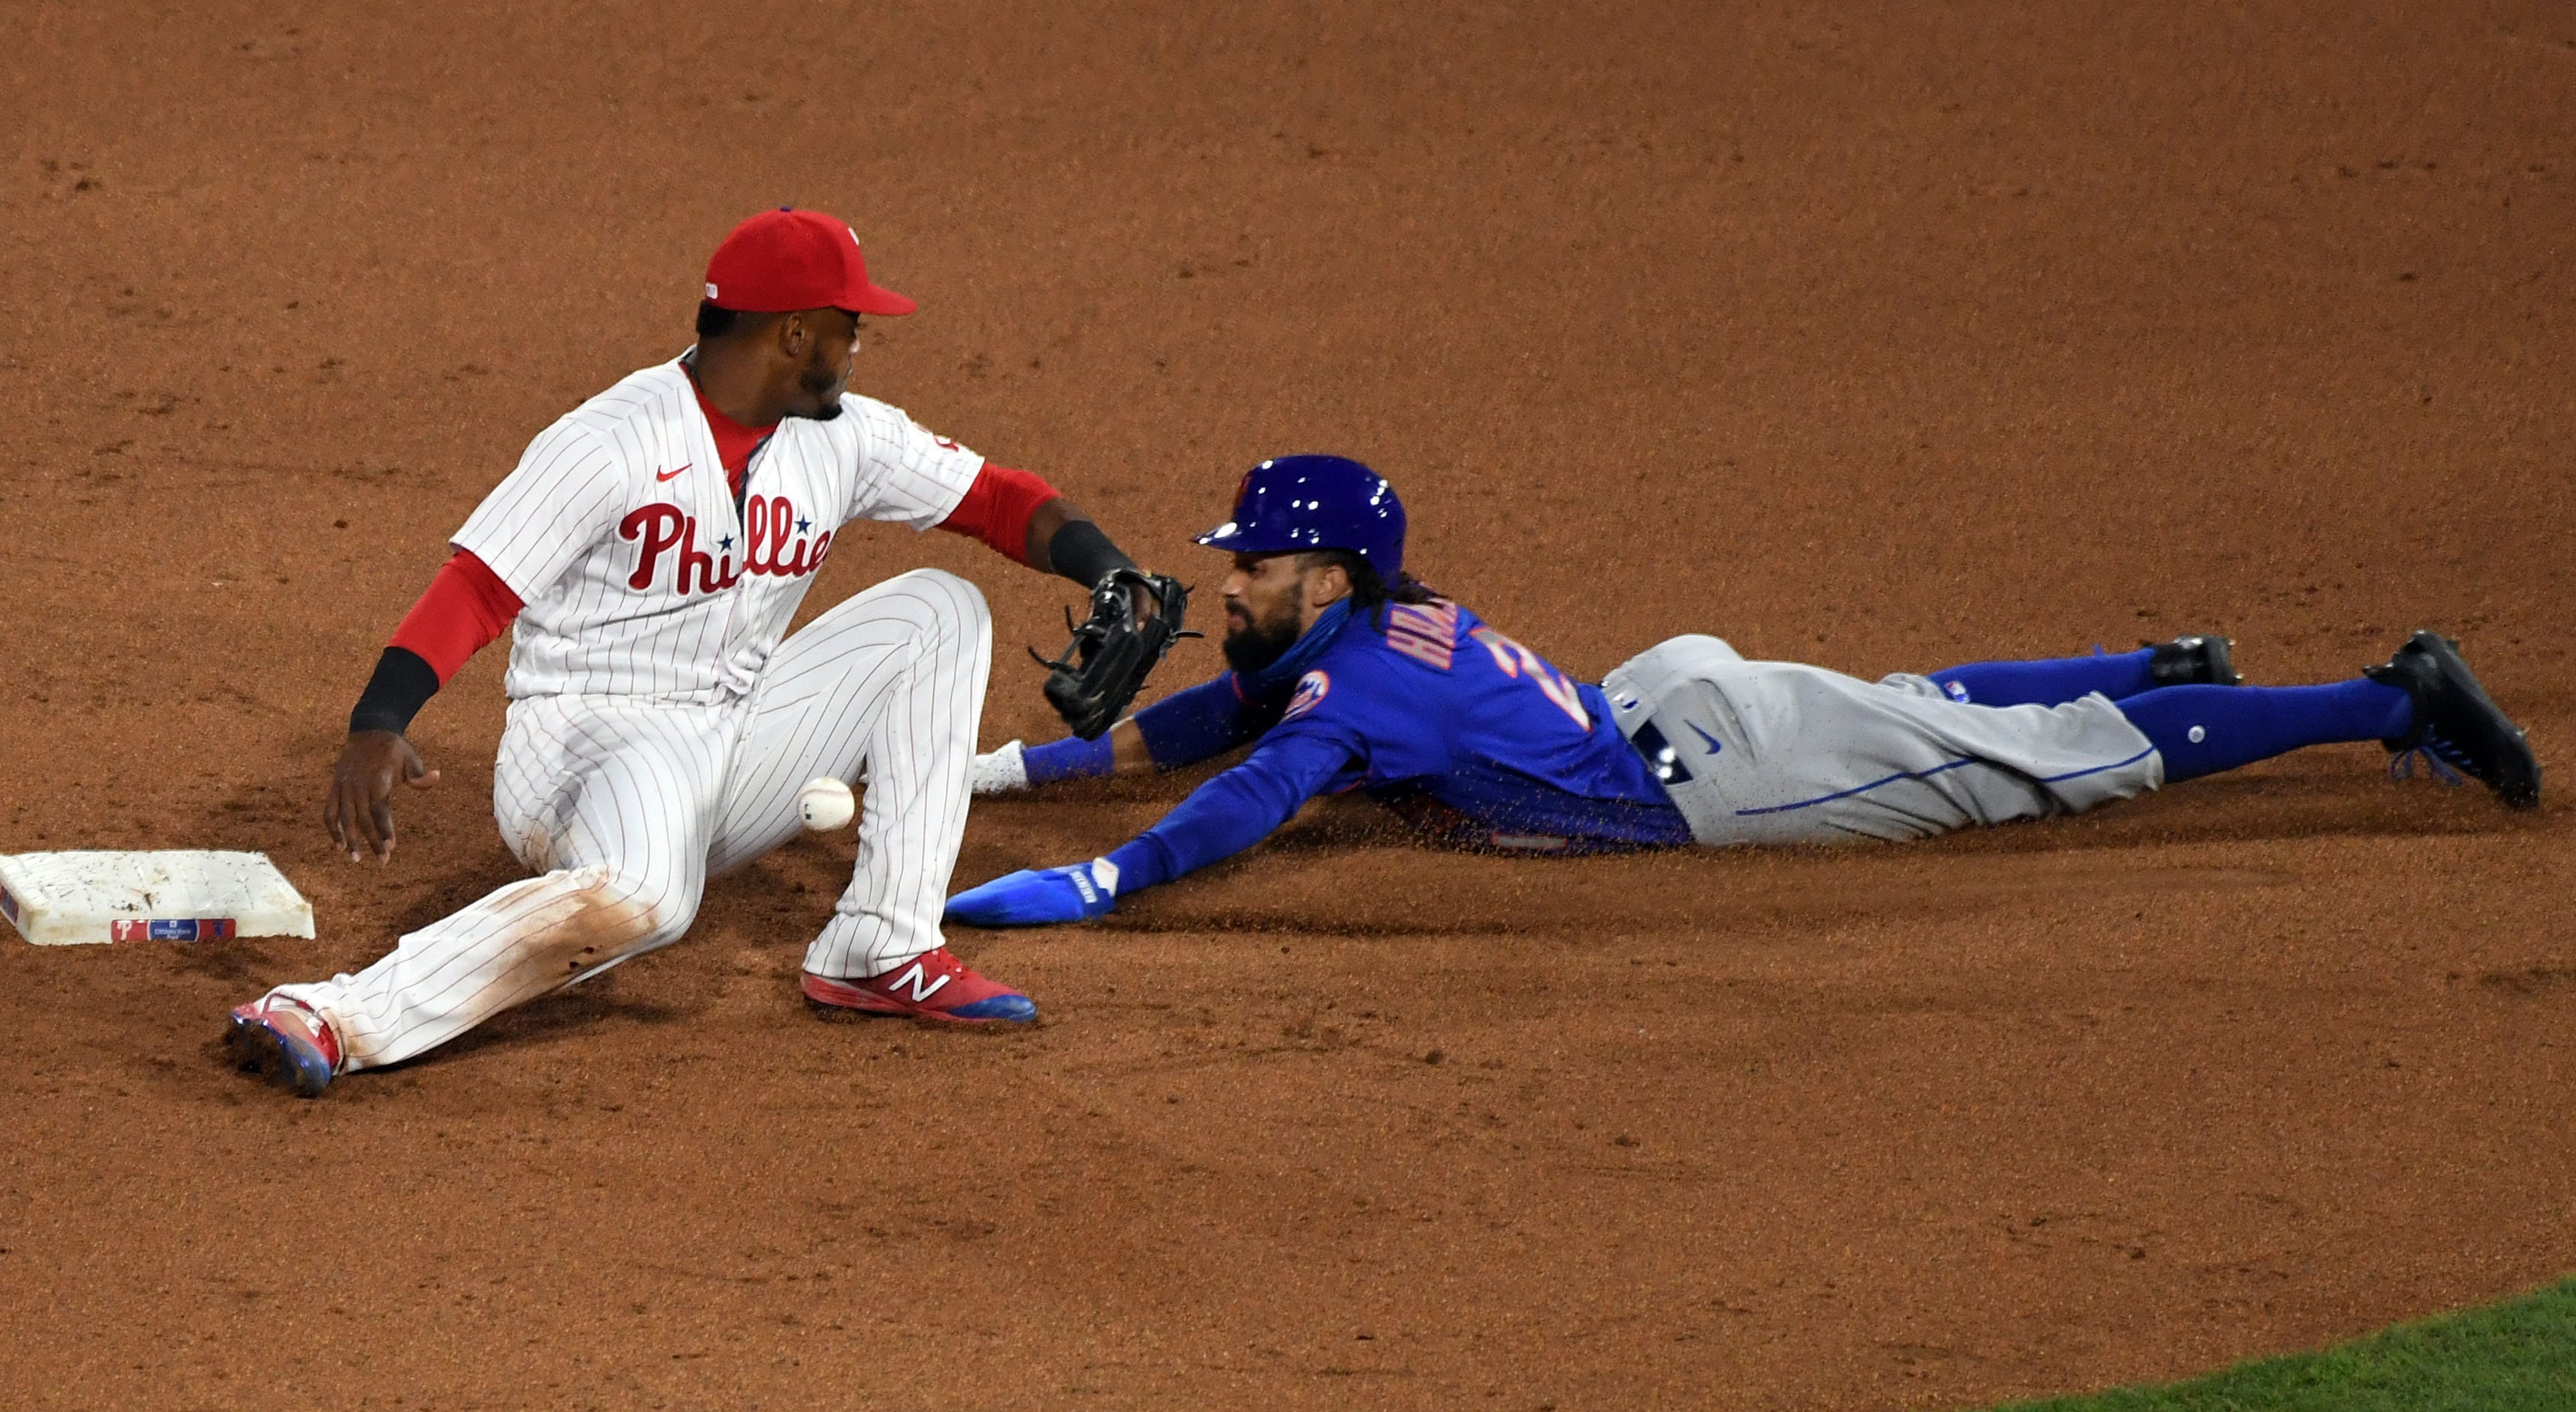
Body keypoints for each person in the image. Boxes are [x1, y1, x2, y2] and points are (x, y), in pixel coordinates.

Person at [225, 209, 1176, 1094]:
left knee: (942, 610)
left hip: (733, 730)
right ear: (794, 334)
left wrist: (1110, 571)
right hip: (589, 743)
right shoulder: (612, 441)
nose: (859, 342)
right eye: (848, 323)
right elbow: (476, 588)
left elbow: (1001, 501)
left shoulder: (840, 437)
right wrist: (377, 722)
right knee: (649, 898)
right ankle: (333, 1011)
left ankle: (880, 947)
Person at [946, 454, 2541, 925]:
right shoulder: (1359, 647)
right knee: (1918, 700)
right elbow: (1234, 718)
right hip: (1676, 701)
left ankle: (2387, 699)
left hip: (1721, 776)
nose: (1228, 585)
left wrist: (1096, 879)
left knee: (2042, 763)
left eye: (1259, 567)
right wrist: (1008, 779)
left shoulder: (1367, 691)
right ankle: (2162, 666)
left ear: (1335, 578)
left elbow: (1250, 795)